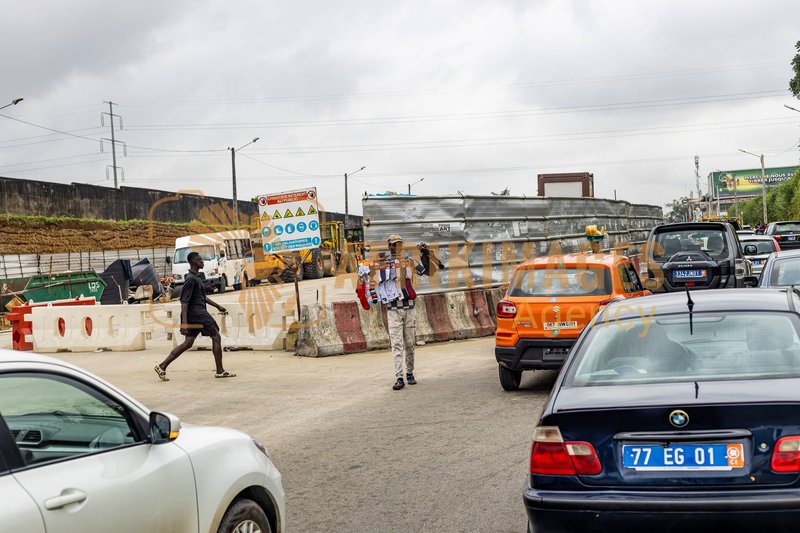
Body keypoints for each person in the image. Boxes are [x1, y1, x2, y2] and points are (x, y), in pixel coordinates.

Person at [154, 251, 236, 381]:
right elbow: (184, 302)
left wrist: (217, 306)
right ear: (193, 262)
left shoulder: (196, 277)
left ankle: (162, 366)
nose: (202, 261)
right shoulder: (190, 279)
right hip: (197, 314)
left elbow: (202, 297)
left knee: (188, 343)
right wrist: (184, 323)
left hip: (195, 314)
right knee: (216, 336)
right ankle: (220, 371)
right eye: (199, 260)